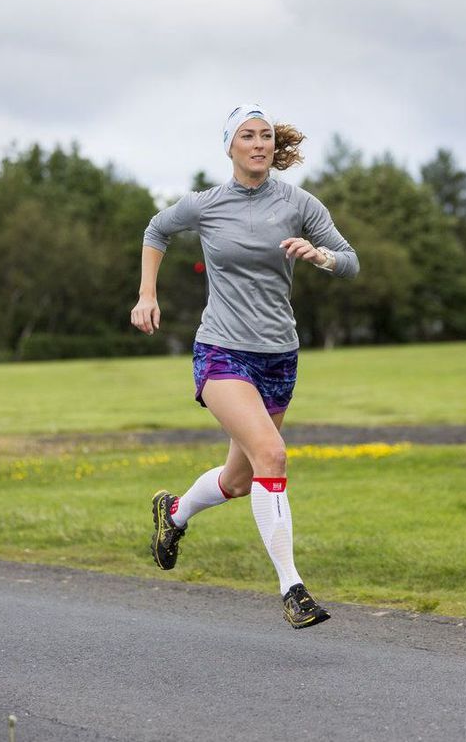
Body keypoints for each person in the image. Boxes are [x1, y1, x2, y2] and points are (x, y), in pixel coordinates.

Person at [130, 104, 359, 629]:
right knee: (273, 456)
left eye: (266, 137)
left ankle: (174, 513)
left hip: (279, 356)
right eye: (248, 136)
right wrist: (147, 294)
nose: (259, 144)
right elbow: (156, 229)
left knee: (239, 480)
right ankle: (293, 589)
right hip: (222, 350)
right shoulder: (207, 205)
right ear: (230, 145)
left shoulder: (299, 203)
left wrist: (320, 256)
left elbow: (350, 260)